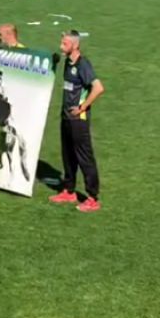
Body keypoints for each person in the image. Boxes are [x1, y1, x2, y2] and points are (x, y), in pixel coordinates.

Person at [49, 31, 104, 213]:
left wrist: (82, 107)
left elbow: (98, 88)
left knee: (84, 157)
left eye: (65, 44)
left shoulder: (83, 64)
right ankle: (69, 190)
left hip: (78, 120)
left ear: (75, 45)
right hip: (66, 116)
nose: (61, 46)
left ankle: (92, 198)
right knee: (68, 155)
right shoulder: (68, 62)